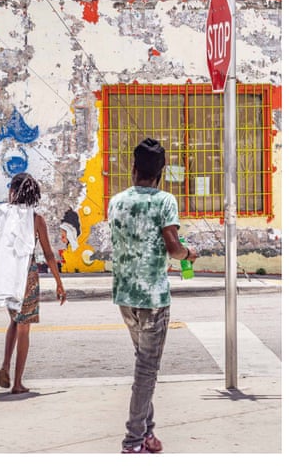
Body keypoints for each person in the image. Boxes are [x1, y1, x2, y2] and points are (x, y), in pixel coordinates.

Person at [108, 138, 197, 453]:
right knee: (147, 368)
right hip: (152, 299)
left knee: (143, 362)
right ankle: (133, 439)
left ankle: (147, 433)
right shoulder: (165, 201)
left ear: (133, 168)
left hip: (124, 296)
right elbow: (174, 249)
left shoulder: (116, 201)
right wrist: (190, 254)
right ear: (160, 172)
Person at [0, 172, 67, 394]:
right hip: (27, 276)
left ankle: (5, 365)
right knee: (24, 329)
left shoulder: (3, 216)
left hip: (8, 275)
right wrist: (59, 282)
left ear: (13, 192)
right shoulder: (36, 220)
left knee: (14, 322)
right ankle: (17, 383)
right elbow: (48, 254)